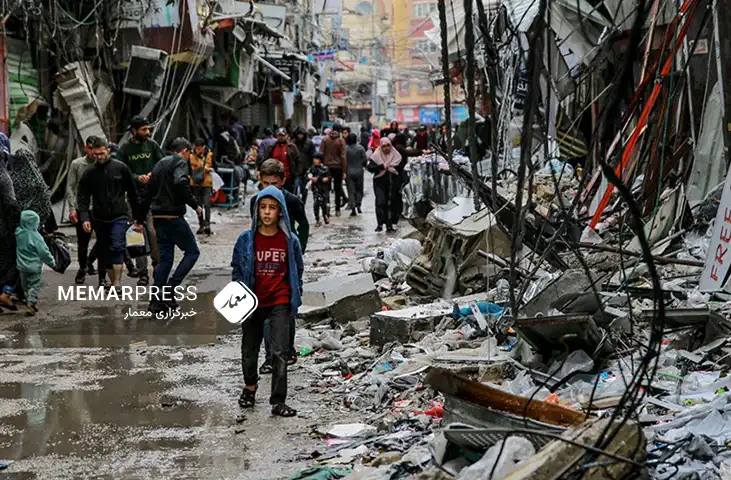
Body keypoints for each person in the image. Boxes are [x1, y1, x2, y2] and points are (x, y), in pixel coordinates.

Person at [232, 186, 303, 418]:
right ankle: (250, 388)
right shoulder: (246, 240)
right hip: (252, 302)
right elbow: (236, 268)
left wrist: (295, 295)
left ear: (280, 211)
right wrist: (240, 294)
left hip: (279, 301)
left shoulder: (289, 240)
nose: (267, 212)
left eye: (272, 208)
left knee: (280, 352)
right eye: (262, 207)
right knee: (249, 351)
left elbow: (297, 270)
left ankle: (278, 400)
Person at [138, 138, 201, 313]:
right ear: (185, 151)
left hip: (158, 217)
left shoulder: (159, 165)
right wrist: (195, 205)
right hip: (173, 217)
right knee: (192, 252)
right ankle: (170, 289)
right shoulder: (180, 162)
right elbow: (180, 182)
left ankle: (155, 301)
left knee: (165, 259)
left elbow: (147, 193)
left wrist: (138, 218)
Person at [78, 137, 146, 290]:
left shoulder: (121, 168)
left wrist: (138, 218)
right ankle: (112, 280)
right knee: (104, 250)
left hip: (119, 216)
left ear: (108, 150)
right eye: (96, 154)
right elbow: (82, 198)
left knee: (117, 245)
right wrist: (84, 218)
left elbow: (133, 194)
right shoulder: (90, 173)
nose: (99, 157)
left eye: (102, 153)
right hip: (99, 218)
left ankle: (117, 282)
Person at [118, 115, 164, 286]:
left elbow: (162, 164)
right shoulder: (124, 150)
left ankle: (157, 266)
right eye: (144, 129)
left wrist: (153, 174)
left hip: (152, 196)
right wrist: (137, 177)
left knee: (152, 232)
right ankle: (142, 272)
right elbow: (121, 172)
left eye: (148, 128)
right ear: (134, 131)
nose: (148, 132)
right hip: (134, 197)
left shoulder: (152, 146)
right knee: (137, 234)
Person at [67, 136, 102, 284]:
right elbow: (70, 187)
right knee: (83, 242)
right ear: (86, 148)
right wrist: (72, 208)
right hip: (82, 208)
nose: (94, 153)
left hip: (100, 209)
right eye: (91, 149)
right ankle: (82, 269)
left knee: (103, 240)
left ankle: (93, 264)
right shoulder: (77, 164)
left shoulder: (103, 164)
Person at [15, 211, 55, 316]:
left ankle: (29, 301)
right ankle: (31, 304)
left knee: (25, 286)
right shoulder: (36, 237)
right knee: (34, 286)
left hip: (21, 266)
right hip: (34, 267)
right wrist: (52, 263)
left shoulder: (18, 233)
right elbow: (44, 252)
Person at [366, 138, 407, 233]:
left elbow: (401, 169)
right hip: (379, 183)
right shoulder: (376, 156)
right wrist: (382, 166)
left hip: (393, 184)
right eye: (383, 146)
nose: (386, 148)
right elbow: (370, 168)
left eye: (388, 146)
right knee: (381, 202)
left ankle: (390, 224)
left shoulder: (396, 156)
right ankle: (380, 223)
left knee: (392, 203)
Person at [0, 134, 20, 310]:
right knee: (10, 259)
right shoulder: (4, 177)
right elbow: (11, 203)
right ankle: (5, 293)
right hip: (4, 227)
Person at [319, 125, 347, 216]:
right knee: (337, 189)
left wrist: (321, 165)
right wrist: (344, 170)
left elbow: (321, 153)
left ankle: (327, 208)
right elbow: (343, 156)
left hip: (326, 167)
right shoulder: (341, 140)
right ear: (339, 130)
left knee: (326, 188)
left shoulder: (325, 139)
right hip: (338, 167)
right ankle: (337, 209)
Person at [264, 128, 301, 193]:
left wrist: (297, 174)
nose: (281, 137)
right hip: (274, 177)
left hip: (288, 178)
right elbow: (266, 160)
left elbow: (298, 160)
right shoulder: (272, 147)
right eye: (279, 136)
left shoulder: (292, 147)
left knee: (288, 197)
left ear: (286, 136)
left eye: (283, 136)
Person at [190, 138, 214, 235]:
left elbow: (214, 166)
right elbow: (190, 167)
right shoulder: (191, 155)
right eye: (197, 148)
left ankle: (207, 225)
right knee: (198, 205)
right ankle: (201, 225)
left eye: (200, 148)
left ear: (204, 147)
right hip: (195, 183)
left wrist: (208, 168)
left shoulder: (209, 154)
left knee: (207, 204)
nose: (198, 150)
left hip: (206, 183)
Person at [292, 127, 315, 205]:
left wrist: (311, 168)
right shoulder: (292, 144)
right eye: (299, 134)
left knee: (304, 190)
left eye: (301, 134)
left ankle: (302, 204)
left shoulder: (309, 143)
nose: (300, 136)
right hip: (295, 170)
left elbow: (313, 156)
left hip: (306, 170)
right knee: (295, 188)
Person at [345, 133, 366, 216]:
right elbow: (364, 160)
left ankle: (353, 207)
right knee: (359, 190)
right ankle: (358, 204)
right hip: (359, 171)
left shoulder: (345, 149)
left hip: (348, 172)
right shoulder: (361, 148)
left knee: (351, 191)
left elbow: (343, 160)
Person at [308, 153, 331, 226]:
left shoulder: (325, 168)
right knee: (316, 203)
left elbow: (329, 177)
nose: (315, 160)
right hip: (316, 189)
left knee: (324, 203)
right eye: (314, 159)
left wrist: (326, 179)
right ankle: (317, 219)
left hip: (324, 189)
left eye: (317, 159)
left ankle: (325, 215)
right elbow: (308, 174)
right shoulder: (312, 168)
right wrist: (311, 178)